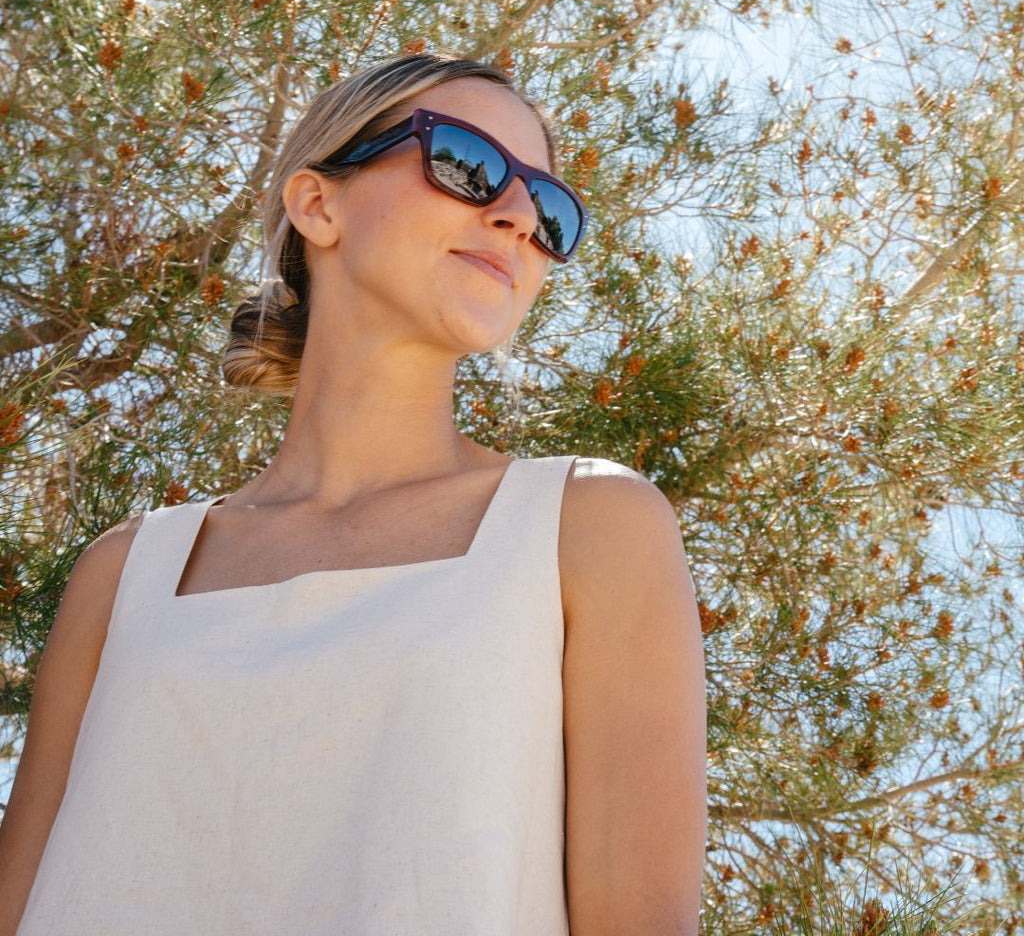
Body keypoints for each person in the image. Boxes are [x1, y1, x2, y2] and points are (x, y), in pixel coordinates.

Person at [0, 53, 707, 934]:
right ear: (317, 204)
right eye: (468, 163)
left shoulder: (590, 526)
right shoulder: (126, 571)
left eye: (550, 209)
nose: (518, 216)